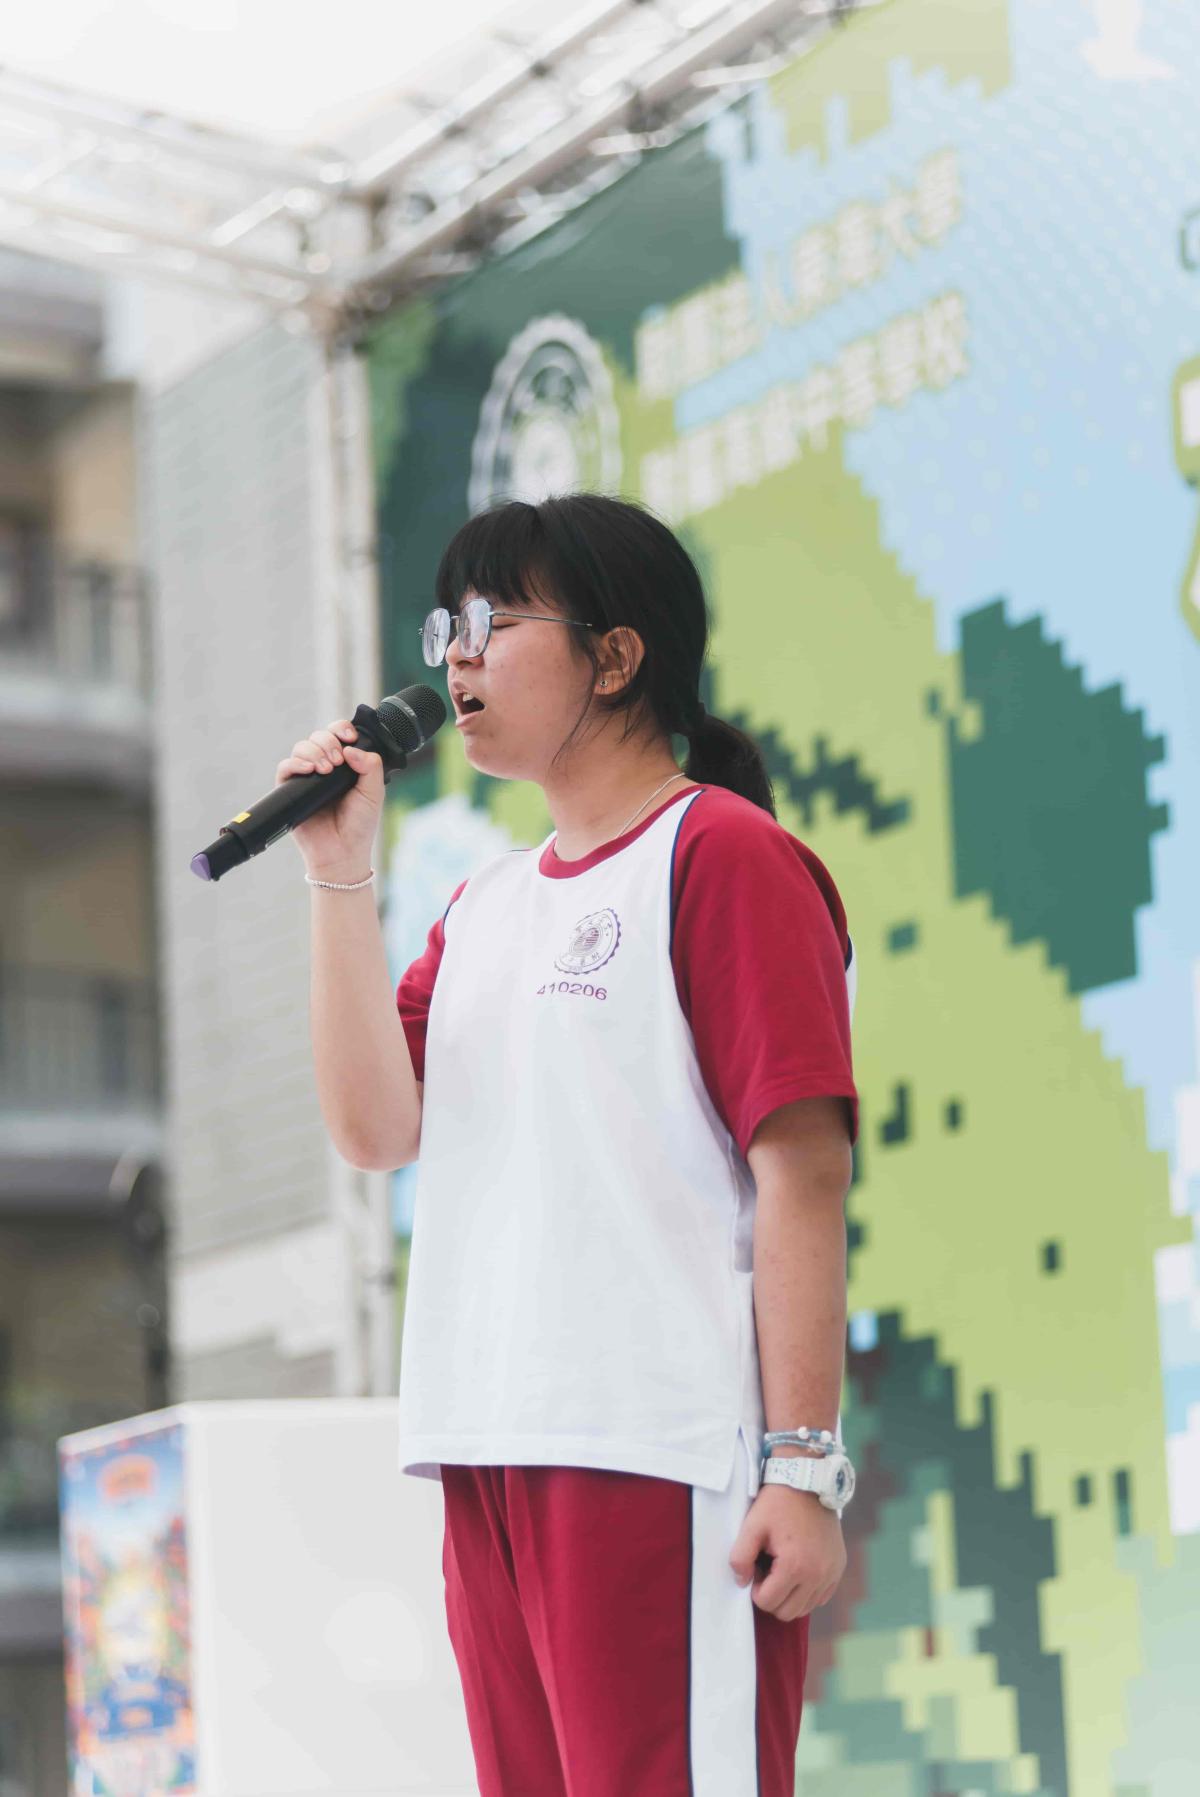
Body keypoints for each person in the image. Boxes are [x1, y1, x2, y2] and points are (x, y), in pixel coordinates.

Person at [284, 493, 860, 1797]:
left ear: (615, 656)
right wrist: (337, 870)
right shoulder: (481, 909)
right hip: (487, 1447)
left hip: (655, 1452)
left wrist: (802, 1464)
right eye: (446, 627)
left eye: (491, 622)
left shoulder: (724, 854)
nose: (457, 658)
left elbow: (803, 1175)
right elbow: (375, 1129)